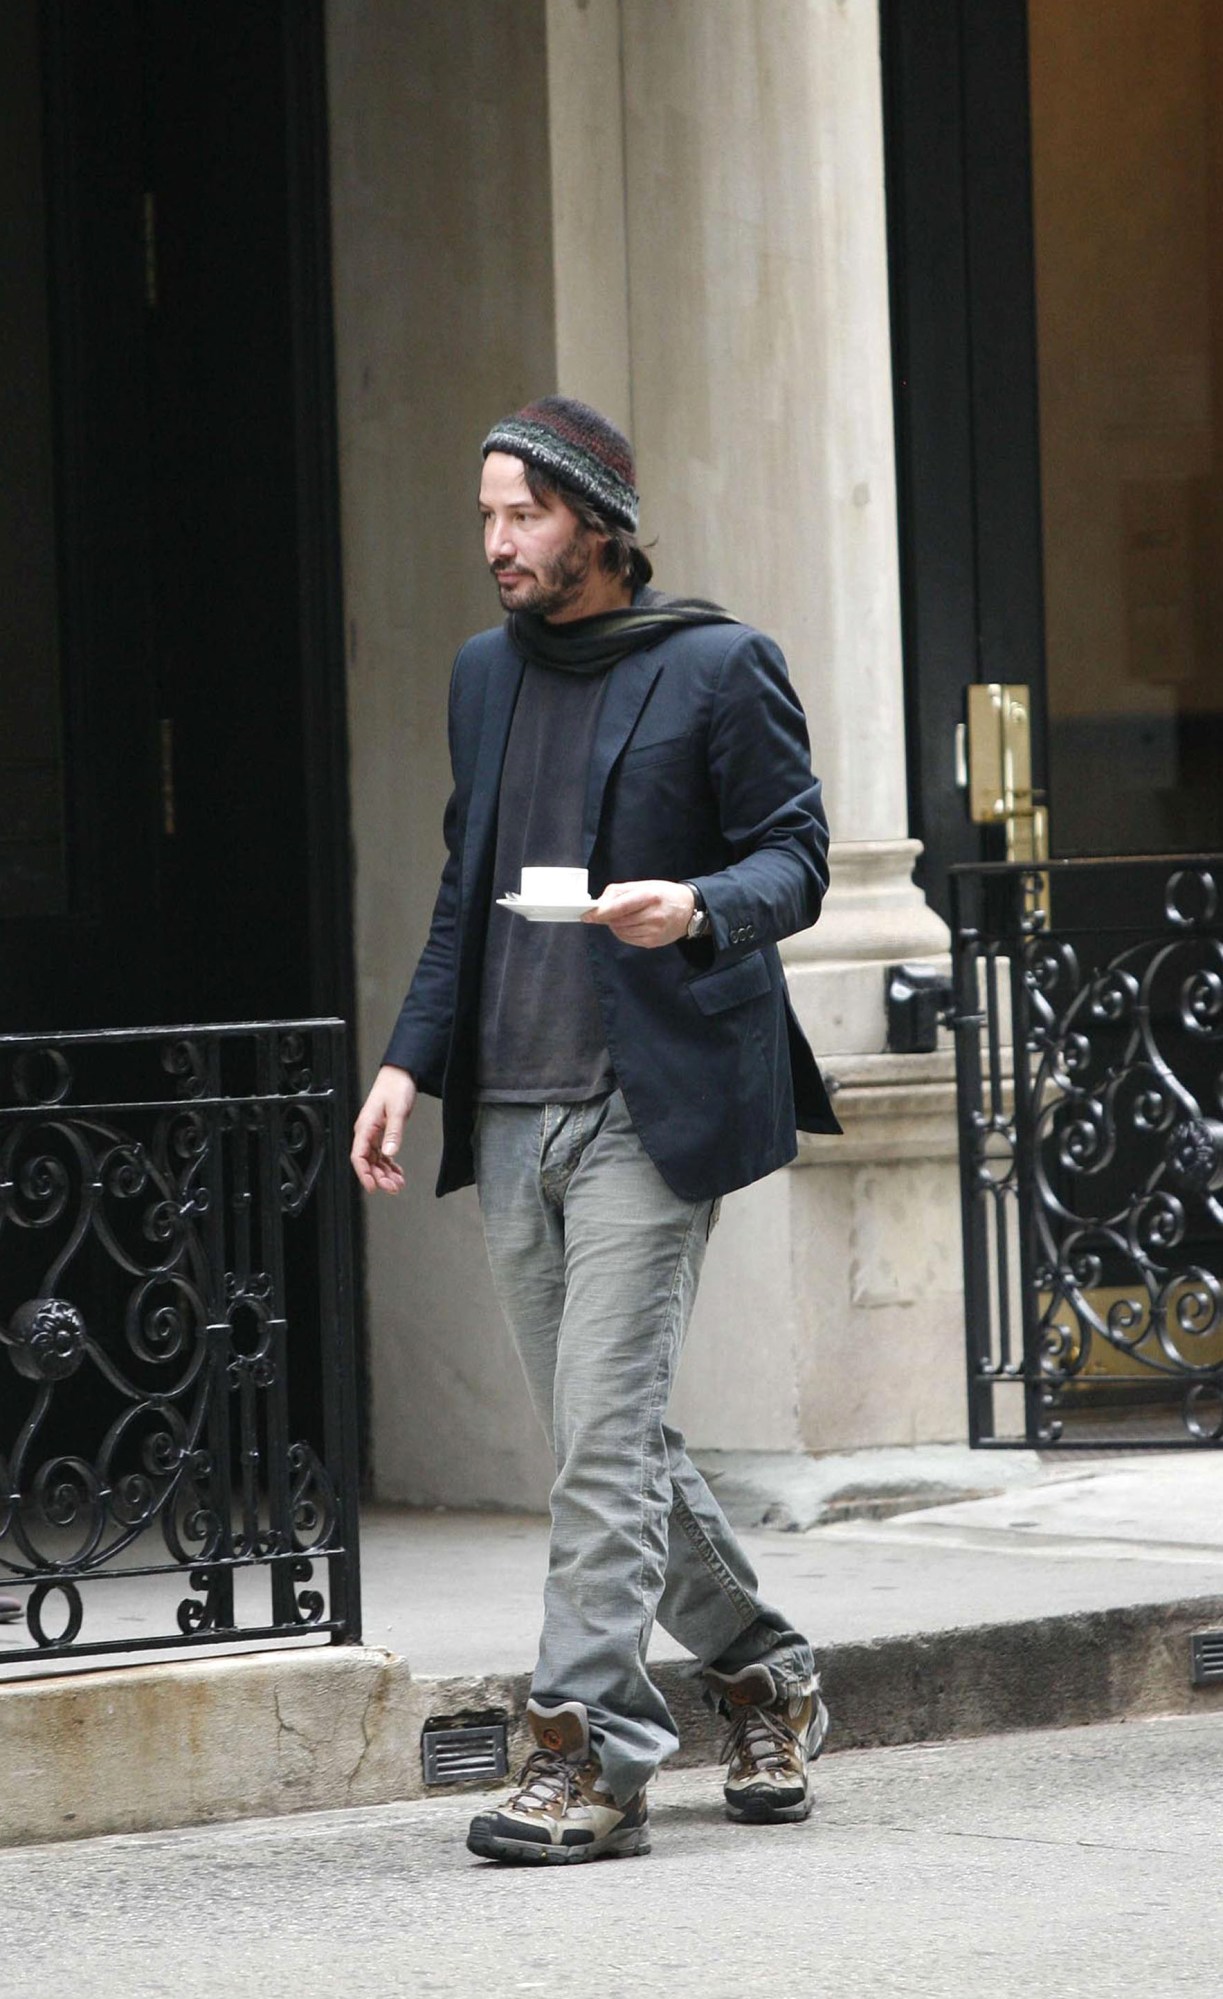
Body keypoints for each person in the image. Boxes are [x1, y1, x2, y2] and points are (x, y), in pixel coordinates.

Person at [351, 396, 841, 1866]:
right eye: (486, 516)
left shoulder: (716, 664)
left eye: (525, 514)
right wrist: (405, 1063)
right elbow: (464, 893)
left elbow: (798, 855)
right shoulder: (483, 678)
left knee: (603, 1441)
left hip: (653, 1101)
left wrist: (698, 907)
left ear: (598, 522)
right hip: (510, 1102)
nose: (497, 542)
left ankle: (587, 1753)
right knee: (598, 1436)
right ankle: (761, 1672)